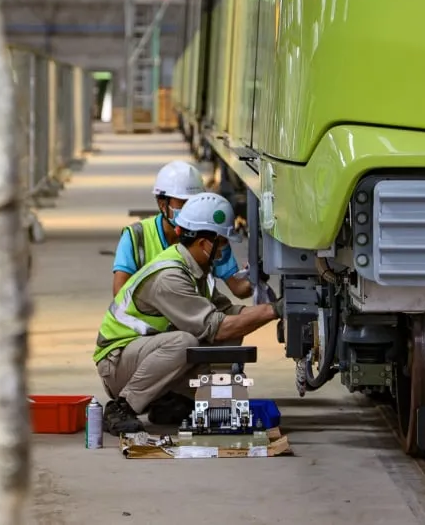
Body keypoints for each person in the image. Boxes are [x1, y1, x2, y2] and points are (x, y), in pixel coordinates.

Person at [93, 192, 284, 435]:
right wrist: (274, 310)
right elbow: (218, 325)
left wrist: (276, 310)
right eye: (223, 243)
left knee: (229, 337)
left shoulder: (197, 270)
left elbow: (227, 313)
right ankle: (123, 407)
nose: (224, 251)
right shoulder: (171, 277)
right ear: (205, 243)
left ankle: (171, 401)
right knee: (186, 342)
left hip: (144, 354)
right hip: (118, 362)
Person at [111, 160, 253, 300]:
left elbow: (239, 289)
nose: (190, 208)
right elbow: (120, 295)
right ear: (162, 204)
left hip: (195, 319)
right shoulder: (136, 236)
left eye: (194, 201)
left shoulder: (210, 236)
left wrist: (254, 275)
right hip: (150, 322)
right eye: (183, 202)